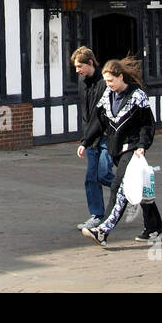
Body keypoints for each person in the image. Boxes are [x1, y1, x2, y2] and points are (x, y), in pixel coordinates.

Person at [77, 56, 162, 246]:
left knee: (119, 187)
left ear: (121, 77)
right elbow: (97, 121)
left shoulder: (137, 96)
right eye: (106, 81)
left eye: (111, 80)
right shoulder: (107, 96)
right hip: (116, 149)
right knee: (140, 187)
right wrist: (85, 142)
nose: (108, 84)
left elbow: (147, 124)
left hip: (133, 149)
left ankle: (103, 230)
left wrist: (142, 144)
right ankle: (154, 227)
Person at [72, 46, 113, 228]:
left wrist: (87, 139)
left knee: (104, 174)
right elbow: (85, 112)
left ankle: (129, 192)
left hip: (106, 136)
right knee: (91, 177)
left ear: (90, 63)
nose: (77, 70)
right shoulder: (82, 81)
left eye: (80, 66)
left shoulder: (105, 84)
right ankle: (96, 215)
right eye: (75, 67)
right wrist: (86, 136)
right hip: (90, 137)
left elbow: (102, 114)